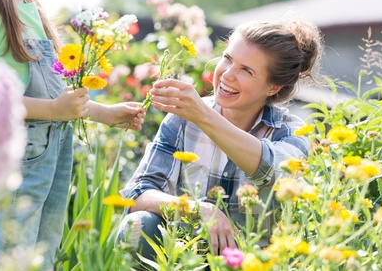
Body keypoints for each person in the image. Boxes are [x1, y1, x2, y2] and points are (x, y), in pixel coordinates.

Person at [0, 0, 145, 270]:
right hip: (15, 156)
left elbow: (55, 91)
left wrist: (105, 114)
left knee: (40, 252)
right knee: (3, 250)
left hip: (54, 151)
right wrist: (54, 111)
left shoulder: (29, 7)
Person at [117, 18, 324, 264]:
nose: (227, 74)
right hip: (187, 258)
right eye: (227, 59)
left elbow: (274, 172)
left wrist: (203, 116)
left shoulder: (290, 133)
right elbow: (137, 194)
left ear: (272, 87)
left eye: (246, 70)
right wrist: (197, 210)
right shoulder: (183, 120)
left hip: (255, 263)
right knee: (138, 225)